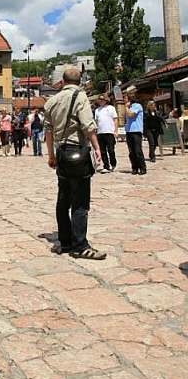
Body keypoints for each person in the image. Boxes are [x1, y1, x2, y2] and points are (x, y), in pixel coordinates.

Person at [44, 67, 105, 260]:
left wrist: (51, 155)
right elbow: (88, 125)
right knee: (80, 201)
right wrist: (97, 148)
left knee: (63, 199)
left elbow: (48, 132)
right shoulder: (80, 96)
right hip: (77, 151)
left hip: (61, 152)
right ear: (79, 81)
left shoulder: (52, 101)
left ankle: (65, 241)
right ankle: (80, 245)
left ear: (63, 81)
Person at [94, 94, 118, 172]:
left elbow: (115, 119)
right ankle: (106, 166)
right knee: (103, 151)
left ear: (106, 100)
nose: (101, 101)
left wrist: (116, 130)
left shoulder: (111, 108)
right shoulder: (97, 110)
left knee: (111, 150)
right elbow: (96, 121)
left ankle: (113, 164)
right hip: (100, 132)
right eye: (99, 99)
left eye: (102, 99)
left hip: (109, 132)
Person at [125, 90, 147, 175]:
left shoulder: (137, 106)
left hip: (136, 131)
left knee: (137, 150)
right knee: (131, 152)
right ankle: (134, 168)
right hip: (129, 131)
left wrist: (126, 107)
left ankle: (142, 167)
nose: (124, 100)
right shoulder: (128, 107)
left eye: (125, 98)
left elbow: (131, 115)